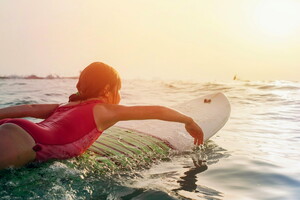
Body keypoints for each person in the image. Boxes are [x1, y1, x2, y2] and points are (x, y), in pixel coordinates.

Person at [0, 62, 203, 170]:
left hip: (13, 128)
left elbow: (28, 106)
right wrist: (189, 120)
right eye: (119, 89)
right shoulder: (105, 110)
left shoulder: (64, 105)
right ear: (107, 89)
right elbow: (156, 110)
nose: (120, 94)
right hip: (26, 142)